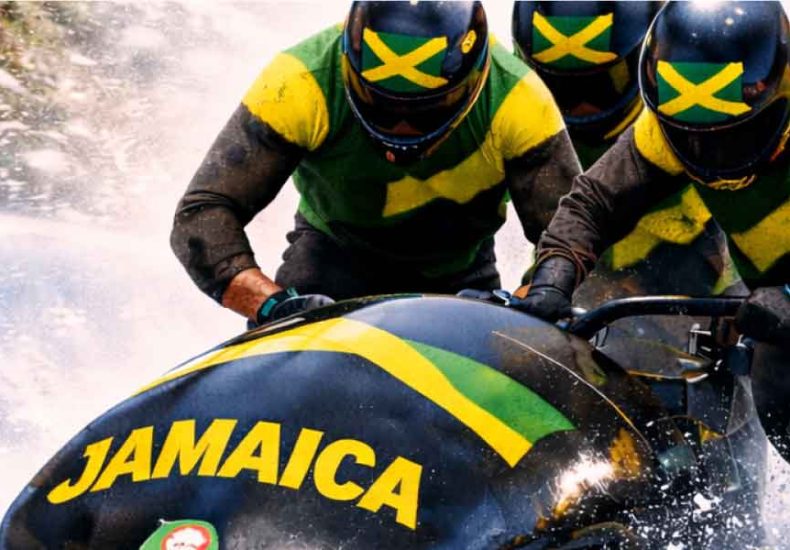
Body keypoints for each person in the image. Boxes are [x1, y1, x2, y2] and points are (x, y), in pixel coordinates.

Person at [170, 1, 580, 327]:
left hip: (461, 280)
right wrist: (271, 306)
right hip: (328, 261)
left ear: (473, 81)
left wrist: (529, 305)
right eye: (381, 104)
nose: (401, 129)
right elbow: (202, 213)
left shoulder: (520, 101)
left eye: (422, 110)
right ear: (348, 63)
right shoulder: (297, 82)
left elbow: (571, 236)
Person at [514, 0, 789, 341]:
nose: (707, 150)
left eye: (733, 133)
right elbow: (595, 202)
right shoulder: (663, 129)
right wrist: (554, 277)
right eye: (687, 134)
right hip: (762, 304)